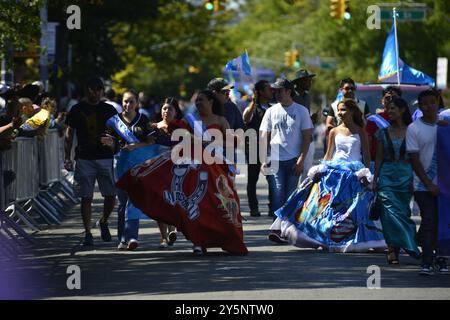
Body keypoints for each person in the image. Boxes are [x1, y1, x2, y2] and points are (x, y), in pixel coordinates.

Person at [271, 99, 386, 252]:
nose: (339, 113)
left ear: (352, 111)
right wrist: (320, 170)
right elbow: (328, 155)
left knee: (354, 207)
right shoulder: (333, 131)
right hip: (334, 170)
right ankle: (321, 235)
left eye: (343, 109)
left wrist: (365, 174)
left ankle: (356, 237)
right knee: (322, 204)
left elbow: (365, 156)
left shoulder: (360, 130)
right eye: (338, 110)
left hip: (354, 173)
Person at [102, 89, 158, 251]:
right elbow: (109, 141)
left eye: (132, 101)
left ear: (137, 103)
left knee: (134, 201)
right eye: (125, 101)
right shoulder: (114, 121)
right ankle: (122, 238)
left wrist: (136, 145)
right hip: (120, 165)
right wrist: (109, 143)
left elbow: (151, 141)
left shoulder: (143, 119)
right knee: (123, 202)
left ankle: (132, 236)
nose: (128, 104)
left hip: (138, 166)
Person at [64, 77, 118, 246]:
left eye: (97, 89)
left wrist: (114, 144)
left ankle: (103, 221)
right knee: (85, 196)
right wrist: (67, 157)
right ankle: (87, 232)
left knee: (111, 195)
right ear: (87, 90)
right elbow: (69, 133)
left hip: (105, 157)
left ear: (102, 91)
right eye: (91, 89)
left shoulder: (109, 110)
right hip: (84, 158)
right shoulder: (76, 109)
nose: (94, 92)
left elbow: (119, 132)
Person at [259, 78, 313, 243]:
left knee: (290, 196)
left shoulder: (301, 111)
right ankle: (279, 229)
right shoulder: (271, 111)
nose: (276, 94)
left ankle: (283, 229)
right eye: (274, 91)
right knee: (278, 195)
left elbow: (307, 137)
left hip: (294, 160)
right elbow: (263, 135)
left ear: (289, 91)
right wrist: (263, 159)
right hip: (274, 160)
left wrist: (302, 160)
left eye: (279, 91)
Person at [406, 89, 449, 275]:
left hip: (445, 185)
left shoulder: (445, 126)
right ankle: (426, 260)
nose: (429, 106)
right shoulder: (414, 128)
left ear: (438, 102)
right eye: (425, 103)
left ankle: (442, 258)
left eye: (433, 102)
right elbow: (414, 160)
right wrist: (428, 184)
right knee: (429, 220)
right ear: (420, 106)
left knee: (443, 222)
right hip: (423, 186)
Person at [373, 97, 421, 264]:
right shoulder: (382, 132)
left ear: (402, 110)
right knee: (388, 214)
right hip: (386, 176)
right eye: (389, 109)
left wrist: (416, 179)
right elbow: (378, 158)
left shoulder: (412, 131)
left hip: (405, 176)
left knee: (402, 213)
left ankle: (405, 244)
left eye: (393, 108)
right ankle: (392, 250)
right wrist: (375, 180)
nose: (389, 111)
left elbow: (417, 158)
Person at [153, 97, 183, 248]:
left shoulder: (182, 128)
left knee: (173, 201)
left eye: (170, 109)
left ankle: (172, 230)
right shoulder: (154, 127)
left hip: (177, 170)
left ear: (176, 112)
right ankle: (164, 237)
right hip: (158, 169)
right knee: (160, 203)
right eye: (164, 108)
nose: (166, 111)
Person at [242, 80, 275, 217]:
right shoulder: (252, 108)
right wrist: (253, 102)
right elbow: (246, 119)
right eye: (268, 89)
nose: (271, 91)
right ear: (260, 91)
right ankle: (253, 208)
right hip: (254, 148)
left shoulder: (272, 107)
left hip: (270, 149)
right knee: (253, 179)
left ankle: (272, 207)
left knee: (272, 179)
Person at [366, 86, 402, 161]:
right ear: (382, 101)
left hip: (400, 161)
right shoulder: (373, 120)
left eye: (394, 97)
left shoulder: (405, 119)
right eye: (388, 98)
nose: (391, 100)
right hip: (378, 161)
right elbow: (368, 143)